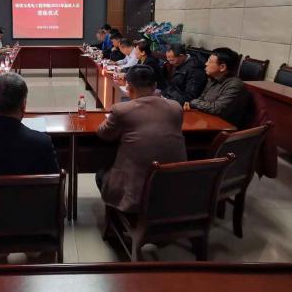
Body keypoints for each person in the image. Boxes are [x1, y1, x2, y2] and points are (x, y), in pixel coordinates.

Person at [96, 65, 186, 213]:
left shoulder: (121, 110)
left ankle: (116, 219)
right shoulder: (176, 107)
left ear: (128, 87)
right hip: (174, 187)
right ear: (155, 86)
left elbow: (103, 133)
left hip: (136, 192)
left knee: (101, 174)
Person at [185, 47, 249, 127]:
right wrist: (193, 104)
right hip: (205, 119)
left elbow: (216, 108)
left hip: (222, 127)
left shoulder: (234, 85)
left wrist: (193, 102)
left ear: (222, 67)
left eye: (210, 61)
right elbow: (201, 98)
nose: (206, 64)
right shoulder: (212, 78)